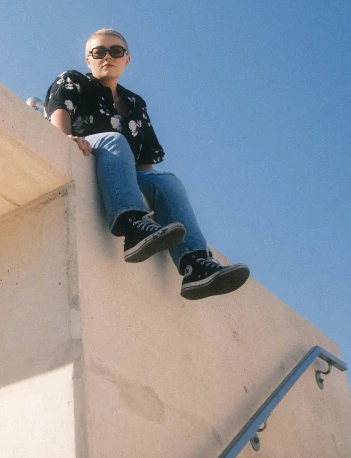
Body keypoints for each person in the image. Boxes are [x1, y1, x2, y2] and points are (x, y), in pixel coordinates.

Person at [44, 29, 250, 300]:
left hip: (122, 170)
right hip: (89, 151)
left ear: (126, 59)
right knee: (115, 140)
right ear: (88, 59)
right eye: (99, 52)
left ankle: (196, 266)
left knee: (167, 181)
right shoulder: (74, 80)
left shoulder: (135, 104)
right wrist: (65, 138)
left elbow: (144, 165)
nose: (107, 57)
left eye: (116, 51)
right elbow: (58, 110)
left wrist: (149, 195)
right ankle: (132, 228)